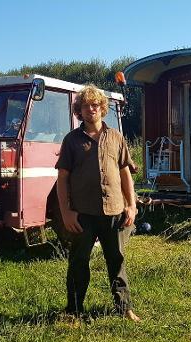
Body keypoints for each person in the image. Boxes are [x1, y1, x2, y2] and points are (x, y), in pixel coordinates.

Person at [55, 84, 140, 322]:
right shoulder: (71, 140)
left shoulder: (115, 137)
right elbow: (62, 179)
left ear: (102, 109)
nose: (91, 109)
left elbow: (125, 173)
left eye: (95, 105)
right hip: (83, 214)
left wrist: (131, 205)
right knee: (78, 262)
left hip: (114, 212)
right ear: (79, 111)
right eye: (85, 106)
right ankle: (73, 311)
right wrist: (66, 213)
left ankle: (124, 309)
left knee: (117, 261)